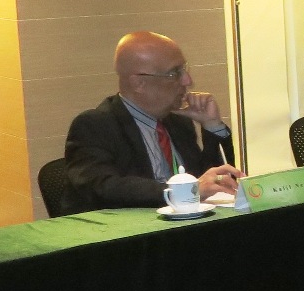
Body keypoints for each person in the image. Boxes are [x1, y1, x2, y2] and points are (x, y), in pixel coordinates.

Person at [63, 31, 242, 211]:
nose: (188, 80)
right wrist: (179, 192)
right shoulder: (95, 126)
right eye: (174, 73)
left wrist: (212, 125)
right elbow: (103, 187)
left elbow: (215, 182)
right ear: (139, 83)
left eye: (184, 70)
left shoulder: (178, 122)